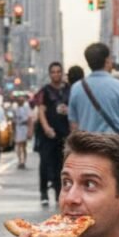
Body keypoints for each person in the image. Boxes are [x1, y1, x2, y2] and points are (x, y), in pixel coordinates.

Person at [68, 42, 119, 154]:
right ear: (107, 61)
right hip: (115, 150)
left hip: (88, 149)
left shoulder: (76, 88)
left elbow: (74, 126)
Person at [36, 61, 72, 207]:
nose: (56, 74)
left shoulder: (69, 89)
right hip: (47, 135)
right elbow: (41, 111)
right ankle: (43, 193)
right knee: (44, 163)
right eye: (53, 72)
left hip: (64, 133)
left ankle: (59, 193)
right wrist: (46, 128)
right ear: (50, 74)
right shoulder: (45, 90)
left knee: (61, 165)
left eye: (58, 71)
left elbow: (75, 108)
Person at [13, 94, 32, 169]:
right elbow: (13, 120)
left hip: (24, 128)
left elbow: (29, 119)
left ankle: (23, 161)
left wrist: (30, 131)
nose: (20, 102)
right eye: (19, 100)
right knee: (18, 145)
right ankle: (19, 161)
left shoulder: (26, 108)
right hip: (18, 128)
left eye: (21, 100)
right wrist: (14, 131)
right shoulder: (15, 108)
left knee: (23, 146)